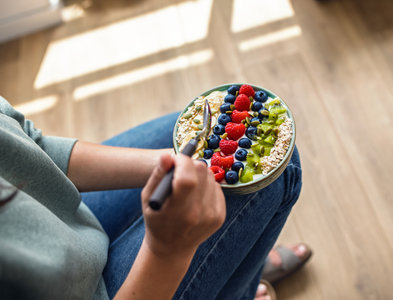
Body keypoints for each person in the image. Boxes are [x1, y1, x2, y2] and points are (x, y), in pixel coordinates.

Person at [0, 96, 309, 300]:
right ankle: (238, 283)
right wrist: (167, 253)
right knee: (269, 178)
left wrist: (170, 161)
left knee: (220, 135)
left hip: (67, 214)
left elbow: (26, 146)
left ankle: (238, 272)